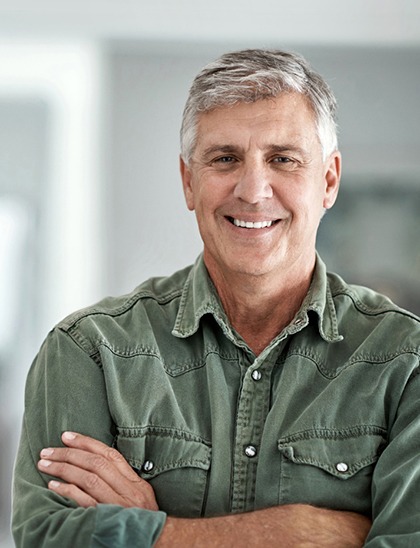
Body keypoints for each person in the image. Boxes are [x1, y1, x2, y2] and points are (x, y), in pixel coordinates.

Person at [12, 49, 420, 547]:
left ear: (329, 180)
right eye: (225, 159)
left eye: (283, 159)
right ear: (189, 180)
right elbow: (50, 537)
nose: (252, 190)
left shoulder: (406, 362)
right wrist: (289, 533)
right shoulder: (89, 352)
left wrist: (151, 532)